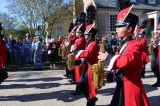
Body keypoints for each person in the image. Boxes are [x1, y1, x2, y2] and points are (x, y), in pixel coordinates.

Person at [98, 2, 150, 106]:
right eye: (116, 27)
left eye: (119, 26)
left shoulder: (135, 44)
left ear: (129, 29)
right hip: (121, 86)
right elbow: (119, 66)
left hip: (130, 87)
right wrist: (108, 72)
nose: (116, 29)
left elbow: (127, 61)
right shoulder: (122, 45)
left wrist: (108, 58)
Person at [74, 24, 99, 106]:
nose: (84, 35)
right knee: (81, 84)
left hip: (92, 68)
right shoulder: (88, 43)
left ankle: (91, 101)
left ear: (90, 35)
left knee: (90, 87)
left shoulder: (94, 44)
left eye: (86, 34)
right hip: (87, 67)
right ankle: (91, 98)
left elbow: (87, 54)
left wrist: (77, 52)